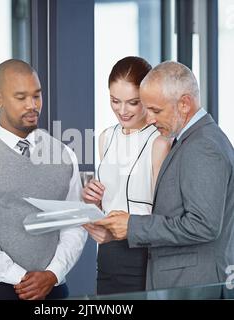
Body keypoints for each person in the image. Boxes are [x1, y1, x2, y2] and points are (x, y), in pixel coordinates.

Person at [0, 59, 87, 300]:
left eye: (37, 96)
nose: (32, 105)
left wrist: (52, 274)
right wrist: (21, 278)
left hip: (52, 288)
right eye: (21, 98)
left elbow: (74, 224)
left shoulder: (64, 154)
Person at [95, 61, 234, 291]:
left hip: (194, 284)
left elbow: (203, 226)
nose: (148, 119)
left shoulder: (203, 146)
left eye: (156, 111)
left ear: (184, 104)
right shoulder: (194, 140)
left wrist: (132, 226)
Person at [82, 56, 171, 294]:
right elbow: (113, 199)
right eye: (115, 101)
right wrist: (94, 199)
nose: (122, 110)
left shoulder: (160, 142)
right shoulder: (106, 138)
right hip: (108, 254)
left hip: (144, 255)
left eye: (133, 102)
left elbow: (164, 210)